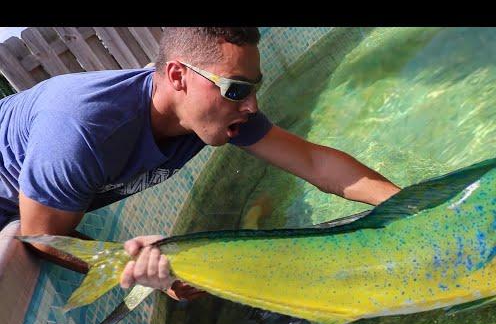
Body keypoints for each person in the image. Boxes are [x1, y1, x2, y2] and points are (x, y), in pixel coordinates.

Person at [0, 27, 400, 301]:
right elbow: (41, 236)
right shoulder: (82, 126)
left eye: (254, 87)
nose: (252, 105)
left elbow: (316, 163)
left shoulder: (219, 114)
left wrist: (409, 207)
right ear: (178, 76)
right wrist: (146, 270)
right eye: (237, 89)